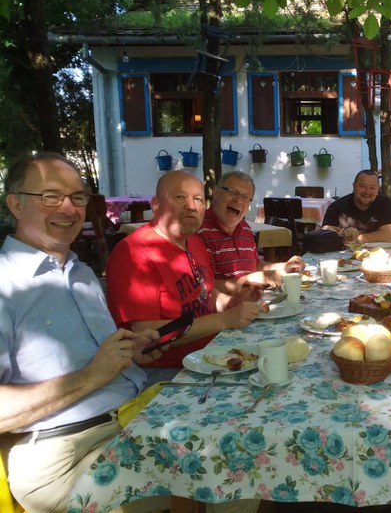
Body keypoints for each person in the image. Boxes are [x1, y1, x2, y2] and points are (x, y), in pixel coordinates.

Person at [0, 152, 164, 513]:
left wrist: (131, 351)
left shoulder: (81, 272)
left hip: (131, 416)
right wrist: (91, 376)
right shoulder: (4, 283)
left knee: (242, 432)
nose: (69, 208)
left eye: (77, 197)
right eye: (50, 196)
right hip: (61, 454)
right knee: (221, 471)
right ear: (15, 204)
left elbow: (93, 357)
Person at [106, 170, 266, 379]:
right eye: (180, 197)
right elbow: (147, 334)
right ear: (156, 205)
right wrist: (225, 320)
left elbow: (205, 294)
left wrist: (234, 302)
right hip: (166, 372)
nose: (191, 206)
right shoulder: (133, 253)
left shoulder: (194, 242)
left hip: (211, 357)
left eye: (198, 199)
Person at [196, 170, 305, 292]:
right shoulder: (199, 232)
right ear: (216, 192)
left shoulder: (245, 228)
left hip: (253, 303)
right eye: (233, 192)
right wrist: (251, 280)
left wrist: (284, 267)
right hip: (227, 309)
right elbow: (203, 288)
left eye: (245, 197)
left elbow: (255, 266)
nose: (239, 200)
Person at [322, 169, 391, 244]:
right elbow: (325, 232)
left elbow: (388, 236)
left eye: (372, 188)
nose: (367, 192)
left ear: (378, 190)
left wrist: (356, 238)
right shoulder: (337, 206)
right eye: (362, 186)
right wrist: (343, 234)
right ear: (354, 186)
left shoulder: (385, 204)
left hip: (380, 253)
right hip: (344, 254)